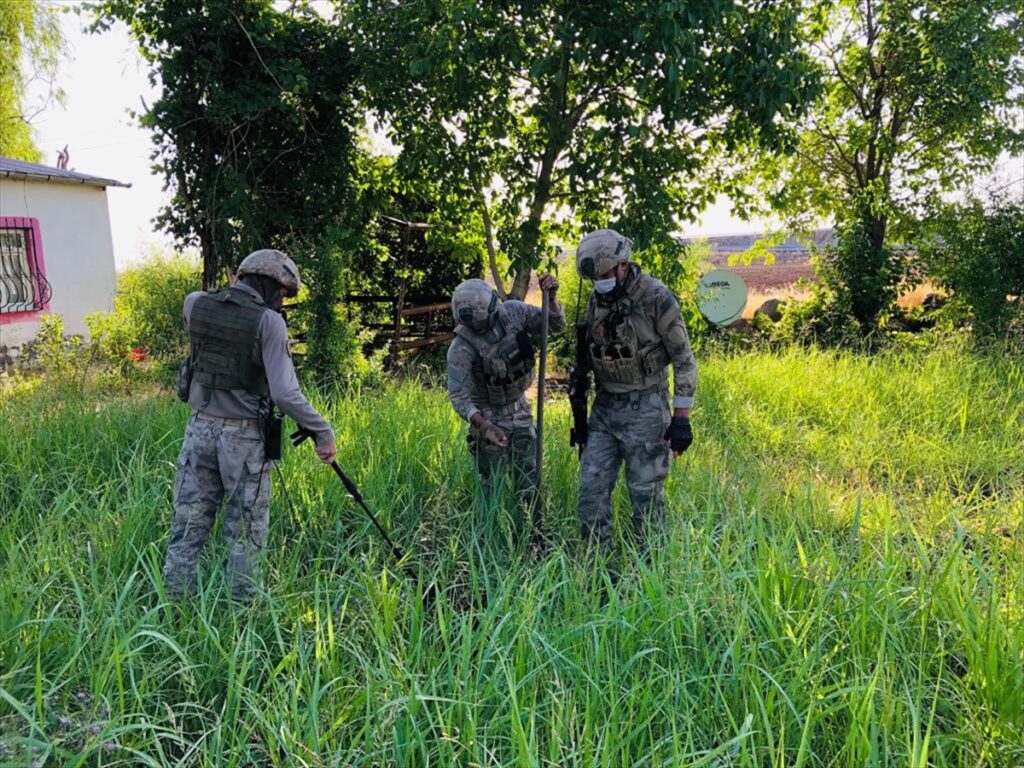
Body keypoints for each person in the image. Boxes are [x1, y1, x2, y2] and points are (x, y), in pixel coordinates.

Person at [162, 249, 336, 603]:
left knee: (189, 524)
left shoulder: (194, 303)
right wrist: (322, 430)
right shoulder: (268, 322)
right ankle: (243, 617)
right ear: (270, 285)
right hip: (243, 438)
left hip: (198, 430)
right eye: (284, 294)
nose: (283, 303)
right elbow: (285, 393)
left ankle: (173, 605)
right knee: (244, 532)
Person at [572, 229, 697, 551]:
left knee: (645, 498)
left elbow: (684, 360)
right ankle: (596, 568)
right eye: (594, 277)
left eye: (604, 274)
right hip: (604, 409)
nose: (600, 281)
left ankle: (650, 572)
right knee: (590, 493)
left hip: (646, 408)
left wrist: (681, 418)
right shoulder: (596, 299)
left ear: (623, 264)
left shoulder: (656, 297)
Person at [446, 274, 565, 542]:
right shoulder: (460, 349)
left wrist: (553, 297)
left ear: (492, 306)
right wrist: (484, 425)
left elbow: (555, 325)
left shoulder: (513, 312)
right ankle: (490, 543)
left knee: (529, 479)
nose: (479, 328)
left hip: (519, 408)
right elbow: (459, 397)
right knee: (491, 486)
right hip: (487, 417)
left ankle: (535, 537)